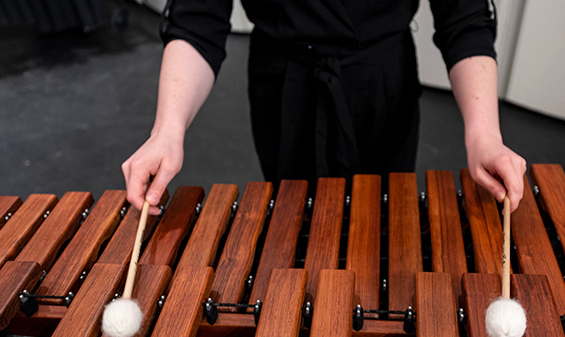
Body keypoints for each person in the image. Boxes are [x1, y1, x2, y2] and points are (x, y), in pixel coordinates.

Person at [121, 0, 526, 215]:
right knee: (294, 228)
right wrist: (167, 131)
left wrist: (485, 135)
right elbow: (197, 22)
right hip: (285, 87)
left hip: (381, 85)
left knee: (383, 225)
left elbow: (465, 19)